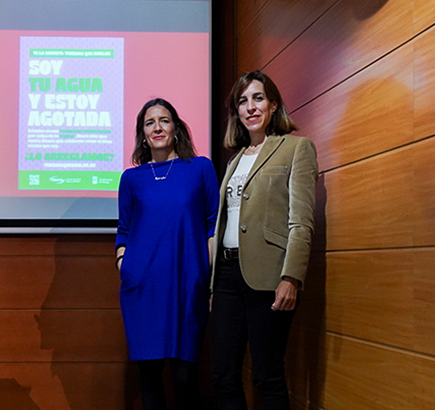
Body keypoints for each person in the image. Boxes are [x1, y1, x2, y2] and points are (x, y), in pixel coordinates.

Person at [209, 70, 318, 410]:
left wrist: (291, 277)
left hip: (269, 276)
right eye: (242, 101)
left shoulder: (296, 148)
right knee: (223, 374)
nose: (250, 107)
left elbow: (301, 222)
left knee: (266, 375)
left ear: (273, 105)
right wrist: (214, 284)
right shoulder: (235, 160)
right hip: (227, 277)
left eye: (258, 98)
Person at [115, 98, 219, 410]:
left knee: (185, 377)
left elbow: (213, 224)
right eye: (150, 123)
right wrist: (125, 264)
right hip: (142, 289)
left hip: (187, 287)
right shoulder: (131, 178)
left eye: (164, 120)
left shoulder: (200, 168)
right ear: (142, 133)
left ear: (176, 128)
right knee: (148, 378)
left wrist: (207, 277)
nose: (157, 127)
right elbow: (124, 229)